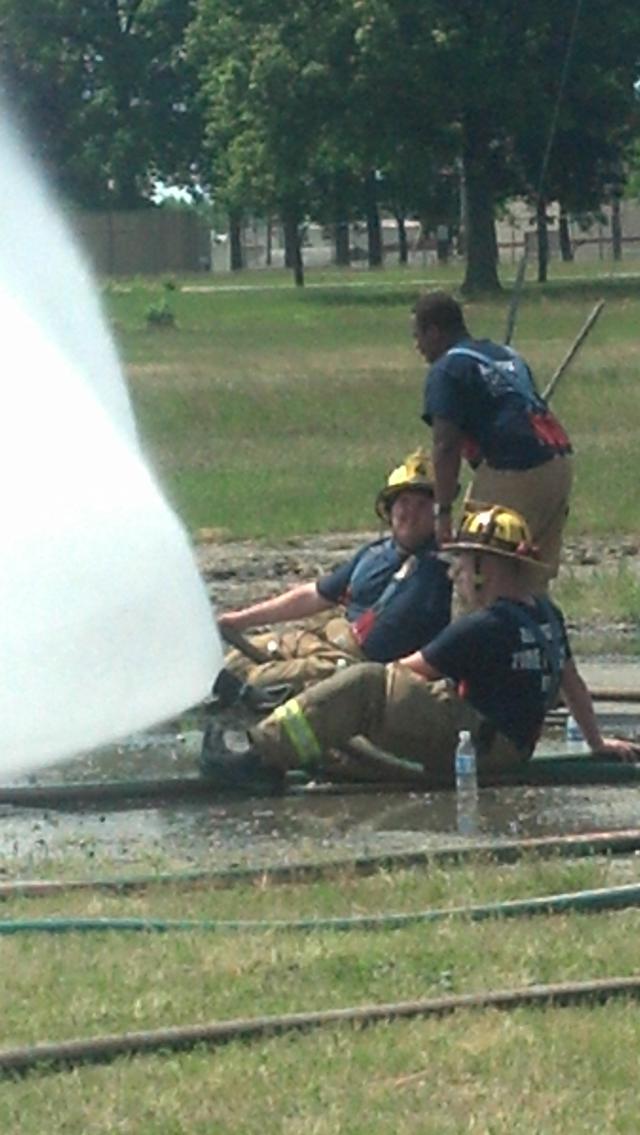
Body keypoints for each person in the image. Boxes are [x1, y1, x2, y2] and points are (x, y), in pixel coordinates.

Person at [200, 505, 638, 793]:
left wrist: (325, 688)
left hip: (477, 749)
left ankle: (259, 756)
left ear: (486, 567)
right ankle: (313, 752)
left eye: (464, 566)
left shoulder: (483, 627)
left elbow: (399, 675)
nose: (456, 577)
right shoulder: (544, 615)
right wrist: (596, 742)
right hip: (508, 749)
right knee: (345, 724)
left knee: (364, 684)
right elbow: (572, 682)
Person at [212, 450, 451, 705]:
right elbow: (314, 595)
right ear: (389, 510)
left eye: (422, 505)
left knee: (260, 682)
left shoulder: (446, 569)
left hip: (354, 669)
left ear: (438, 513)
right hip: (322, 641)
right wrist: (238, 621)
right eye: (404, 503)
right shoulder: (373, 554)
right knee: (234, 663)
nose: (411, 514)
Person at [412, 291, 573, 579]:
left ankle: (480, 623)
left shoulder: (447, 369)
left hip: (514, 469)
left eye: (418, 336)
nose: (417, 347)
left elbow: (446, 444)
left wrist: (444, 510)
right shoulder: (505, 355)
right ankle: (537, 623)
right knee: (529, 571)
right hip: (557, 463)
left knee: (478, 571)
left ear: (434, 332)